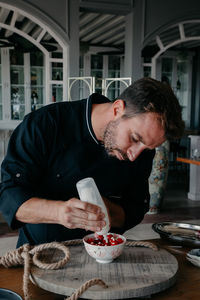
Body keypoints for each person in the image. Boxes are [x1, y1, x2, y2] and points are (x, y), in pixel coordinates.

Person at [0, 78, 184, 247]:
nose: (135, 155)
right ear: (117, 109)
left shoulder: (140, 152)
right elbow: (8, 196)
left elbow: (135, 208)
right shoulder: (44, 124)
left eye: (148, 148)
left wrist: (105, 210)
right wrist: (58, 212)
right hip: (40, 250)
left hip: (105, 255)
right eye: (134, 138)